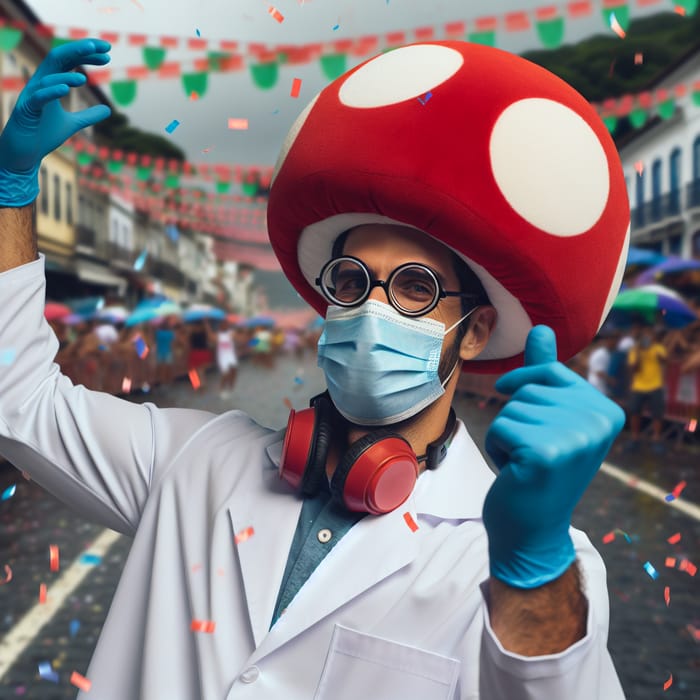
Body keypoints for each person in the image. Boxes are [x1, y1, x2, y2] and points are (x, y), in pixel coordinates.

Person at [0, 40, 630, 699]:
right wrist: (10, 191)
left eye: (414, 288)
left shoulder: (530, 560)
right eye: (353, 282)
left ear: (473, 333)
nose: (372, 310)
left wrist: (532, 569)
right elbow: (18, 398)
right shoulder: (192, 461)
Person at [626, 326, 668, 451]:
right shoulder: (634, 350)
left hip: (655, 385)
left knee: (657, 414)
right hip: (638, 386)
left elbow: (665, 360)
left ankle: (656, 439)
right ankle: (635, 438)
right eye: (645, 336)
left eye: (649, 336)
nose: (647, 339)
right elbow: (633, 369)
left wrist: (653, 350)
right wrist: (639, 353)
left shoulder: (658, 348)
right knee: (635, 413)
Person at [213, 317, 239, 398]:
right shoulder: (217, 335)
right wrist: (206, 324)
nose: (225, 326)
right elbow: (212, 338)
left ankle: (231, 387)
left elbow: (236, 337)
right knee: (225, 374)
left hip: (231, 355)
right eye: (223, 324)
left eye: (226, 324)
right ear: (220, 326)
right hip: (222, 356)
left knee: (234, 371)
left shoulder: (231, 332)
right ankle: (221, 389)